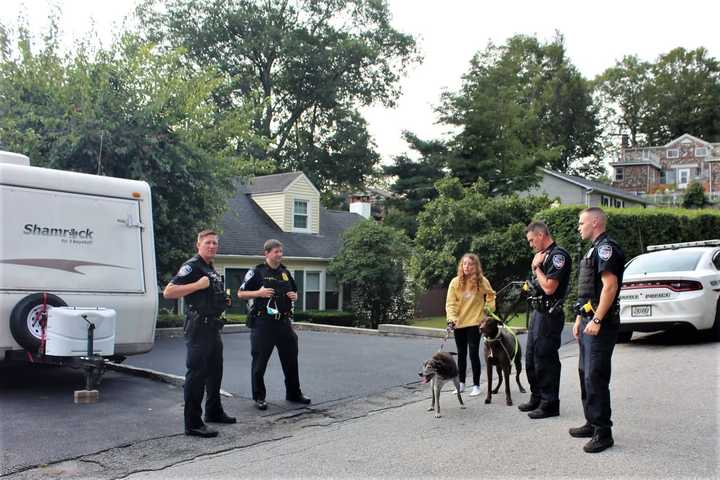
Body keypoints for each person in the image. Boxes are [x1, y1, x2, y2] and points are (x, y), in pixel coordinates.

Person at [163, 230, 235, 438]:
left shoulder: (210, 267)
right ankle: (193, 424)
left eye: (214, 243)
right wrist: (197, 285)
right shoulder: (192, 266)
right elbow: (169, 291)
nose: (212, 246)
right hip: (198, 328)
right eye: (207, 243)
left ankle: (213, 411)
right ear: (198, 245)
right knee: (196, 375)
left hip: (212, 327)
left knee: (215, 372)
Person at [571, 207, 625, 453]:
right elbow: (588, 290)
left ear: (595, 222)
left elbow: (610, 287)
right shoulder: (593, 249)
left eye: (582, 223)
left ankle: (603, 433)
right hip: (587, 322)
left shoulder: (606, 248)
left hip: (599, 326)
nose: (579, 227)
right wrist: (579, 320)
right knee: (585, 373)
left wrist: (597, 320)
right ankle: (592, 423)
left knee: (596, 376)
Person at [237, 239, 311, 411]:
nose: (280, 254)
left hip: (284, 323)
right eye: (276, 251)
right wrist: (259, 292)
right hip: (264, 324)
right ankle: (259, 397)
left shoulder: (285, 272)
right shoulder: (257, 272)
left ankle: (294, 393)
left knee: (291, 360)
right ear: (267, 253)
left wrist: (294, 296)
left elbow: (294, 292)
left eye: (281, 251)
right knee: (260, 362)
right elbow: (240, 294)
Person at [518, 221, 572, 419]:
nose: (531, 244)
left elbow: (549, 287)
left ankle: (550, 403)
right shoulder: (542, 255)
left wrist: (537, 268)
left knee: (545, 358)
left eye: (532, 240)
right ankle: (537, 397)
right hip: (537, 312)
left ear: (541, 235)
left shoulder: (558, 256)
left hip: (550, 314)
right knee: (531, 356)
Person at [445, 253, 496, 397]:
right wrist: (452, 318)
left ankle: (476, 385)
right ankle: (461, 384)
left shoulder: (481, 281)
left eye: (470, 264)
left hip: (475, 322)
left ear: (476, 267)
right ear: (461, 266)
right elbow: (450, 303)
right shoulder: (455, 282)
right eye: (464, 264)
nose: (467, 267)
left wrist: (488, 308)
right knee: (461, 354)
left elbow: (491, 295)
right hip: (459, 324)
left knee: (473, 353)